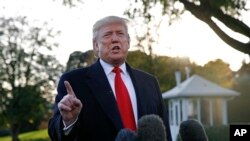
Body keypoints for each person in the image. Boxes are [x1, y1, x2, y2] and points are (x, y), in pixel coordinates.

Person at [48, 15, 172, 141]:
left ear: (128, 42)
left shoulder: (150, 82)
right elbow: (55, 134)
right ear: (96, 45)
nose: (115, 39)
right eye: (107, 35)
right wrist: (68, 121)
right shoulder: (74, 82)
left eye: (120, 33)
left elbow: (165, 132)